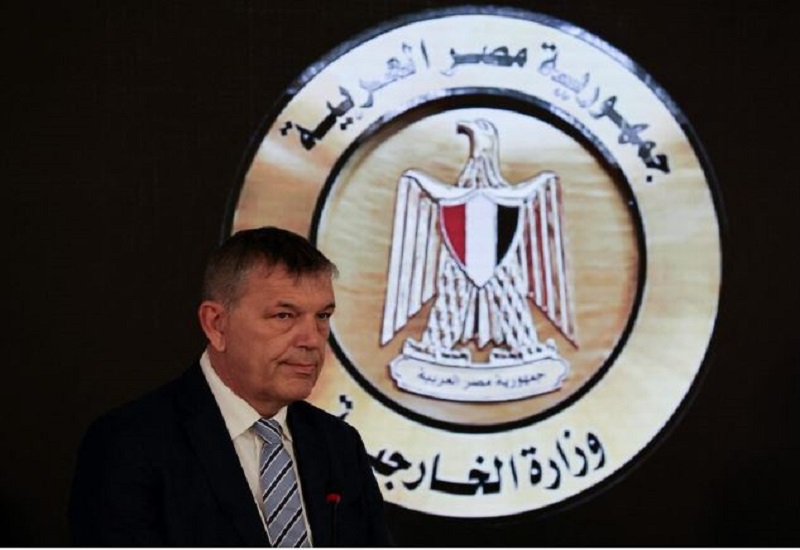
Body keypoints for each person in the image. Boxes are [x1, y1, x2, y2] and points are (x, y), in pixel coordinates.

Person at [69, 226, 392, 546]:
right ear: (216, 324)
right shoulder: (130, 444)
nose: (312, 340)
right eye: (284, 316)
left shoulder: (339, 444)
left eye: (322, 316)